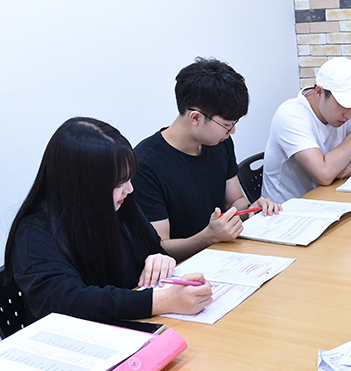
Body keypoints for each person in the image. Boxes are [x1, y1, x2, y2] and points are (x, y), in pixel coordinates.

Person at [4, 118, 213, 325]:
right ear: (82, 187)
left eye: (129, 178)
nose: (129, 189)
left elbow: (150, 246)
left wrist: (158, 258)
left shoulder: (118, 206)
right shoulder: (35, 235)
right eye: (118, 183)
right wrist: (162, 301)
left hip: (132, 324)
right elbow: (69, 301)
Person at [133, 57, 281, 262]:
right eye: (227, 125)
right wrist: (208, 237)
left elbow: (235, 201)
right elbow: (160, 247)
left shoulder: (219, 143)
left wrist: (253, 208)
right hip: (183, 268)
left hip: (225, 254)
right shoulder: (145, 165)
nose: (232, 131)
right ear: (195, 118)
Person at [261, 57, 351, 203]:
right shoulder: (291, 115)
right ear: (319, 92)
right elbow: (324, 174)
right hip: (287, 208)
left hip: (326, 199)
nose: (349, 114)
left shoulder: (342, 113)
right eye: (344, 104)